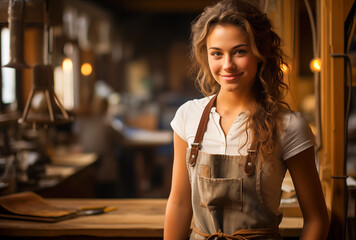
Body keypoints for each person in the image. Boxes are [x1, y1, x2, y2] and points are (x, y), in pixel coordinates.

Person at [164, 0, 329, 239]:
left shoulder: (289, 125)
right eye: (217, 54)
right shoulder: (188, 116)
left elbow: (317, 219)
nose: (227, 65)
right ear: (206, 56)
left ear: (260, 53)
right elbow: (179, 205)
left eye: (240, 51)